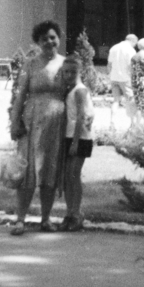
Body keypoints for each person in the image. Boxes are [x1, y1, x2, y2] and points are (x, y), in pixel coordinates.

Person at [8, 19, 67, 235]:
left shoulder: (65, 63)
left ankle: (46, 218)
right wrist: (14, 122)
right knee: (28, 170)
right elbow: (20, 95)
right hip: (32, 122)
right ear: (38, 42)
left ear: (58, 39)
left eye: (53, 37)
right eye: (44, 39)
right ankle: (20, 219)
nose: (49, 42)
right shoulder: (30, 64)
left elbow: (76, 93)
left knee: (50, 169)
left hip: (57, 123)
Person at [56, 54, 95, 231]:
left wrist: (75, 142)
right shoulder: (70, 90)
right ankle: (69, 212)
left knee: (73, 175)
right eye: (66, 72)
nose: (69, 75)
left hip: (80, 137)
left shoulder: (80, 90)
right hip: (69, 135)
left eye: (73, 71)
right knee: (67, 177)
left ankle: (76, 213)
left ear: (79, 72)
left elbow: (82, 116)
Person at [105, 33, 138, 130]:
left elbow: (109, 64)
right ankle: (132, 123)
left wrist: (109, 75)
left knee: (116, 101)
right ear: (133, 41)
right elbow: (131, 65)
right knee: (130, 100)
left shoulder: (114, 48)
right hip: (126, 78)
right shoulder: (131, 50)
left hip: (114, 77)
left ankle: (112, 122)